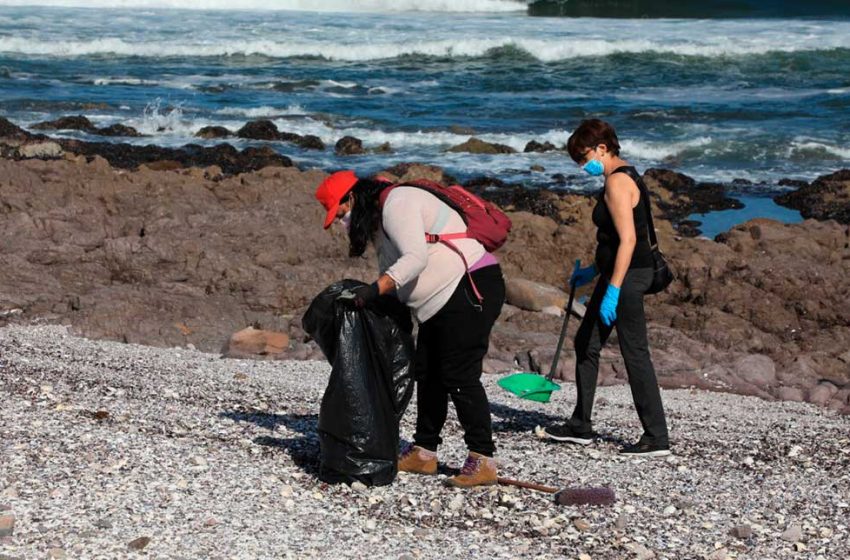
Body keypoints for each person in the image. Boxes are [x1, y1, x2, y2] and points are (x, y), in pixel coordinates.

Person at [314, 170, 506, 486]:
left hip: (469, 287)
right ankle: (424, 453)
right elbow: (395, 270)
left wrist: (374, 291)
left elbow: (415, 259)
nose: (341, 222)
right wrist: (382, 301)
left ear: (352, 197)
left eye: (341, 213)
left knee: (459, 375)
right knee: (427, 374)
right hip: (438, 302)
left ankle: (483, 459)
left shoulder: (397, 204)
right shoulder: (379, 221)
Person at [542, 119, 671, 457]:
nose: (583, 165)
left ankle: (656, 437)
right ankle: (580, 425)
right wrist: (591, 271)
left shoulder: (617, 182)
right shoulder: (626, 174)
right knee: (586, 342)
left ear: (603, 148)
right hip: (618, 272)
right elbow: (615, 240)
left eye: (584, 157)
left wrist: (612, 288)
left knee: (635, 353)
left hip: (628, 277)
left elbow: (630, 241)